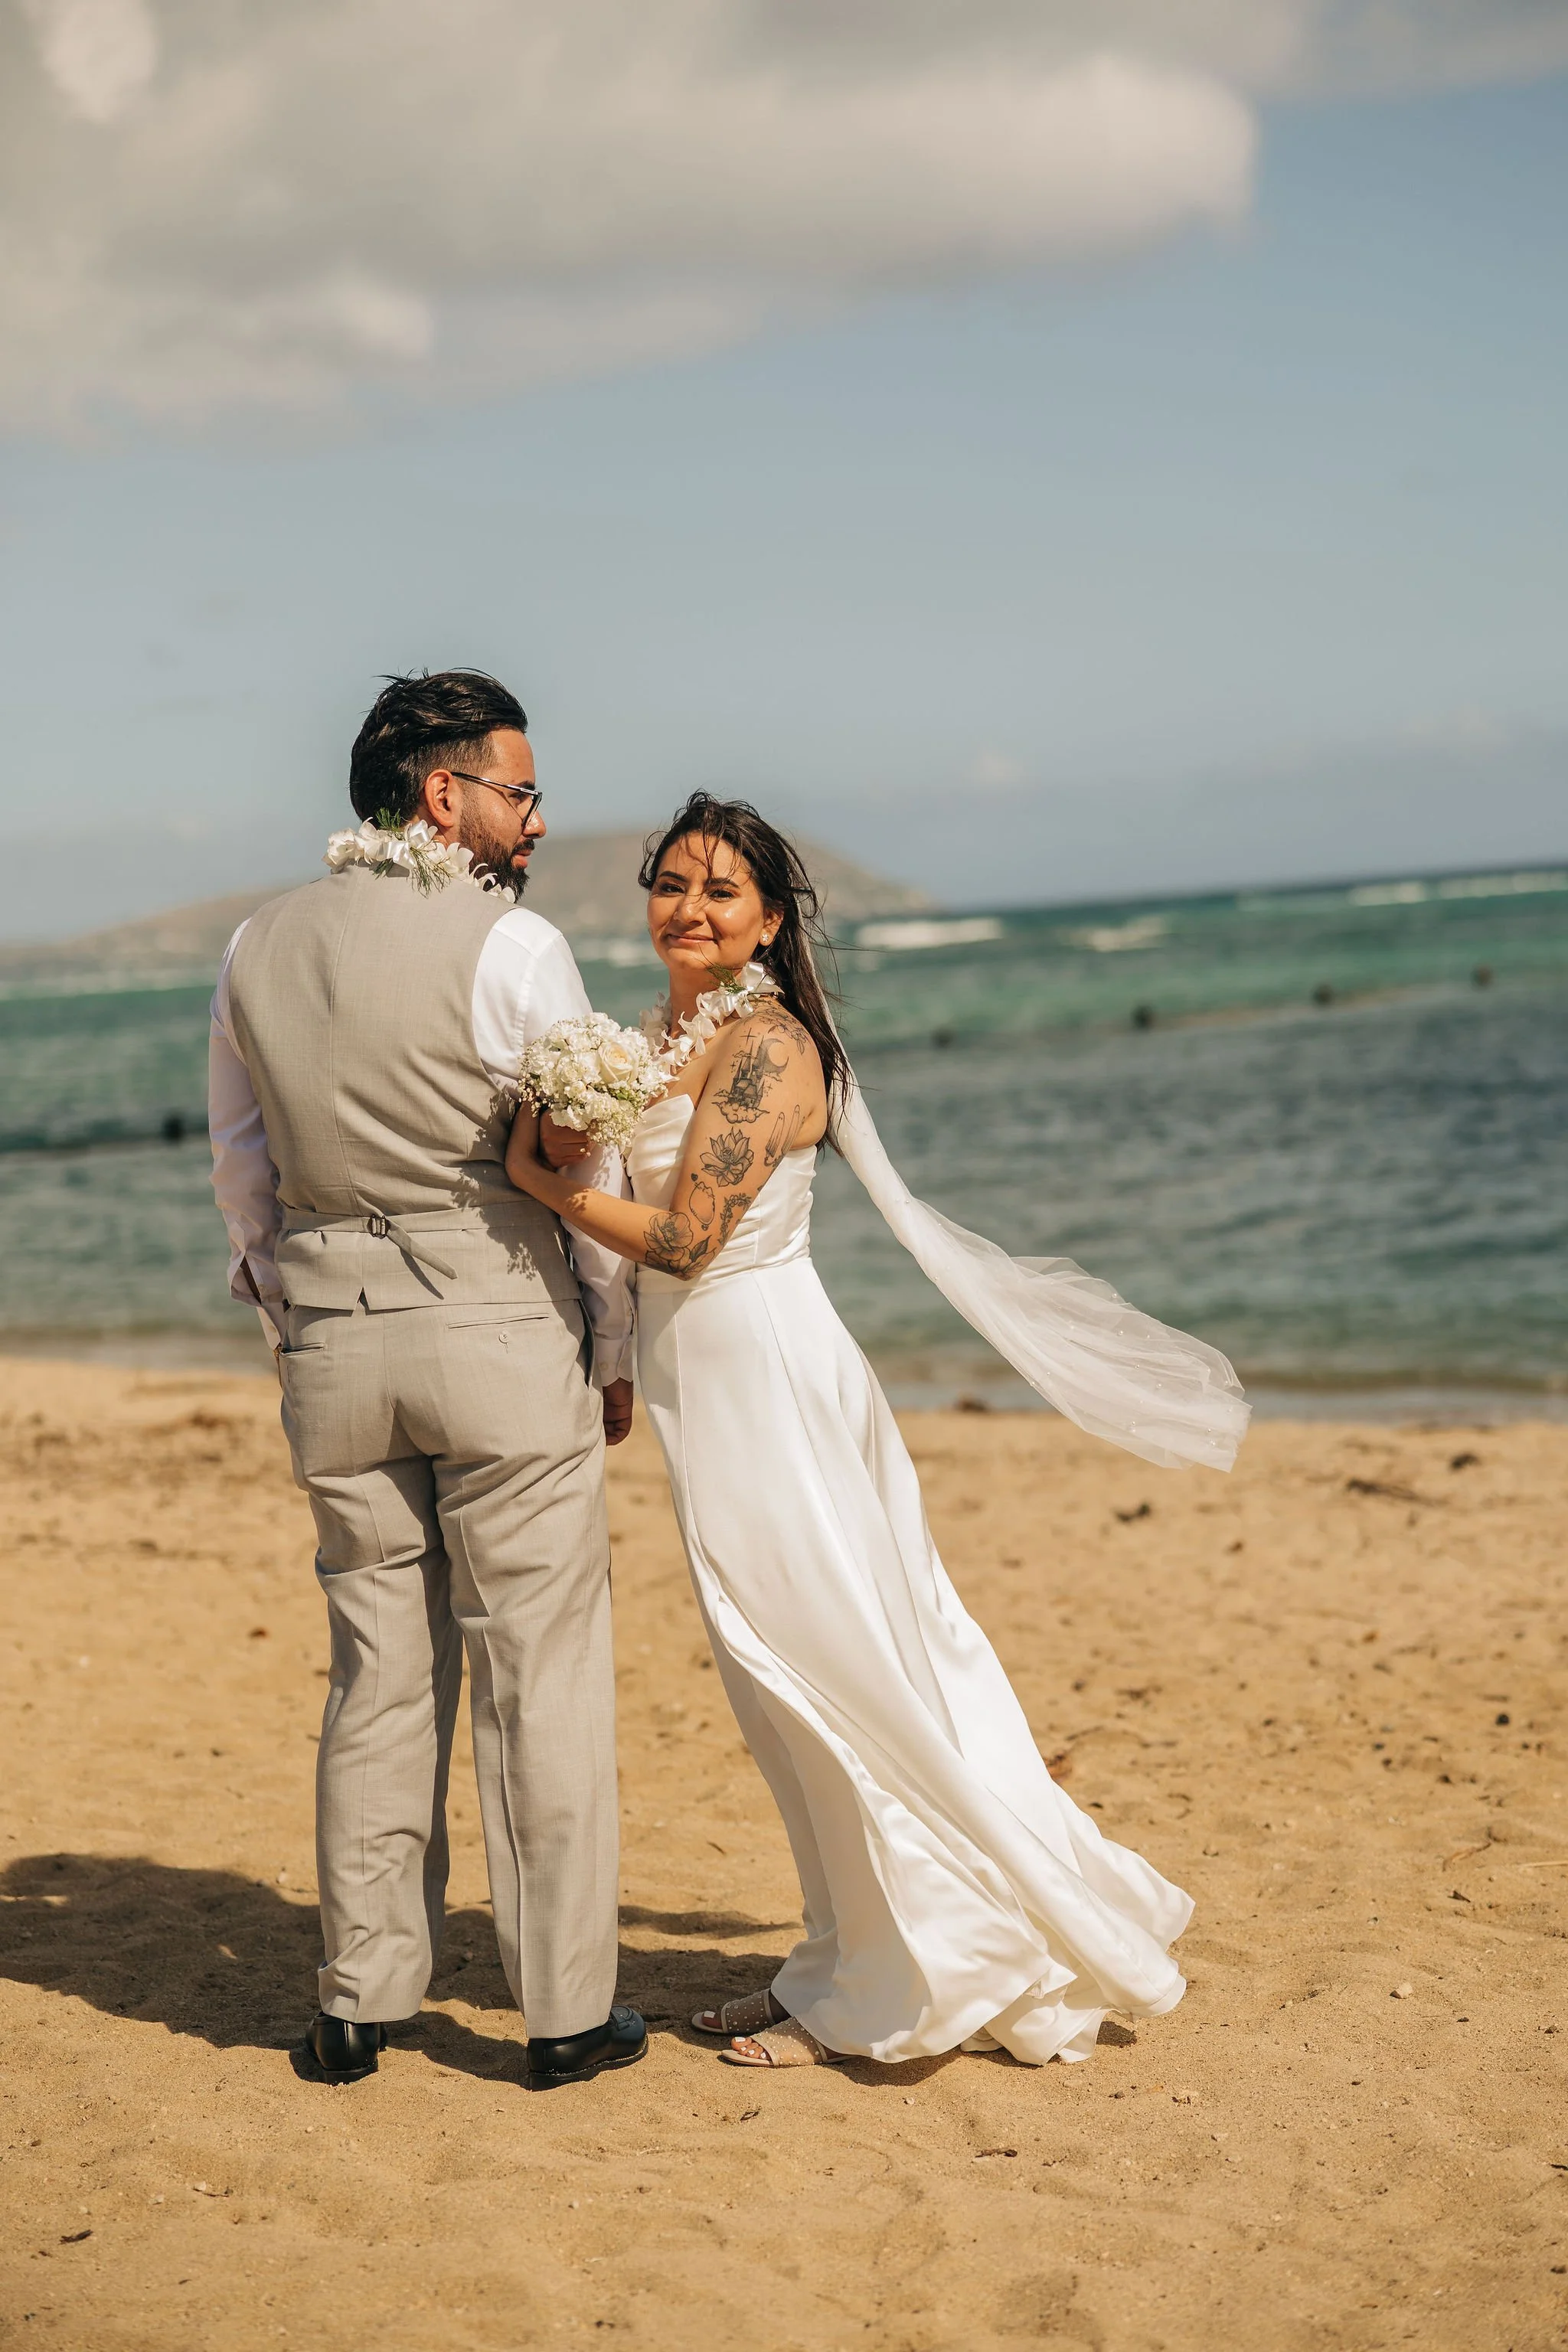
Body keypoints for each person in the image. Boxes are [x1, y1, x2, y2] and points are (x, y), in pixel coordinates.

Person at [506, 794, 1246, 2072]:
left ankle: (921, 1979)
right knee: (778, 1692)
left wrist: (541, 1180)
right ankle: (843, 1960)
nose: (690, 906)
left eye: (720, 890)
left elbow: (688, 1240)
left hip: (772, 1382)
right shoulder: (664, 1037)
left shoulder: (768, 1053)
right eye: (671, 882)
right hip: (706, 1387)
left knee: (836, 1674)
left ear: (770, 921)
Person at [208, 669, 645, 2092]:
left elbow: (244, 1177)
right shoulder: (512, 949)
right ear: (441, 793)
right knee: (541, 1672)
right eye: (518, 792)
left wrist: (301, 1324)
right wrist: (612, 1347)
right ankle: (566, 2012)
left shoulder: (252, 947)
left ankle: (358, 2003)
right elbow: (587, 1169)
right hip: (499, 1334)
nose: (534, 819)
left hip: (336, 1350)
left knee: (378, 1676)